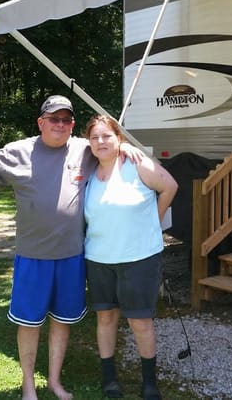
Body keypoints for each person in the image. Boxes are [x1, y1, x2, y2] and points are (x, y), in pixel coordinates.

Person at [0, 96, 142, 400]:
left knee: (62, 321)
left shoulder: (83, 149)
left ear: (72, 125)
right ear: (41, 122)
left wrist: (126, 147)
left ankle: (54, 382)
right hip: (33, 257)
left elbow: (107, 144)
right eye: (54, 119)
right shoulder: (19, 151)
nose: (60, 124)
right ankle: (28, 385)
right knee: (30, 323)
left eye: (66, 120)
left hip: (72, 257)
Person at [82, 115, 178, 400]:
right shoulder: (87, 171)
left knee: (140, 322)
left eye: (107, 136)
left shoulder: (137, 165)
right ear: (88, 142)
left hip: (139, 259)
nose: (100, 142)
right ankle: (109, 378)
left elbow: (170, 187)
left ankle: (149, 382)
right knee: (106, 318)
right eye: (94, 137)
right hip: (98, 259)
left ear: (119, 138)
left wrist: (153, 220)